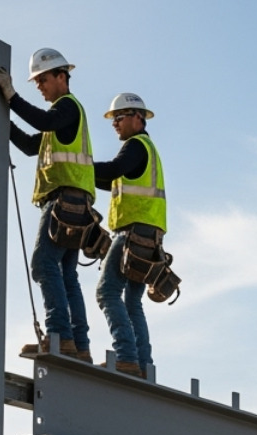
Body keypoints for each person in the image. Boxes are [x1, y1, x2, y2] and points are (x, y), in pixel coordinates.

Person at [0, 49, 96, 361]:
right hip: (77, 204)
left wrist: (10, 96)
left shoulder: (66, 109)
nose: (39, 85)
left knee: (43, 264)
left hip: (65, 201)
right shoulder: (60, 125)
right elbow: (27, 145)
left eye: (43, 79)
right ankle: (78, 345)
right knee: (65, 273)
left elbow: (42, 118)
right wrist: (0, 119)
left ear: (62, 77)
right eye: (36, 81)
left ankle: (59, 337)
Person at [93, 92, 166, 380]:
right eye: (113, 120)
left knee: (107, 292)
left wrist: (79, 165)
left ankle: (125, 357)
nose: (115, 124)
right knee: (133, 302)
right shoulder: (145, 150)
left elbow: (112, 170)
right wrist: (84, 175)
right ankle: (142, 366)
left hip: (133, 233)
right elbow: (111, 178)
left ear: (138, 118)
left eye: (119, 118)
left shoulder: (135, 146)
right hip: (150, 237)